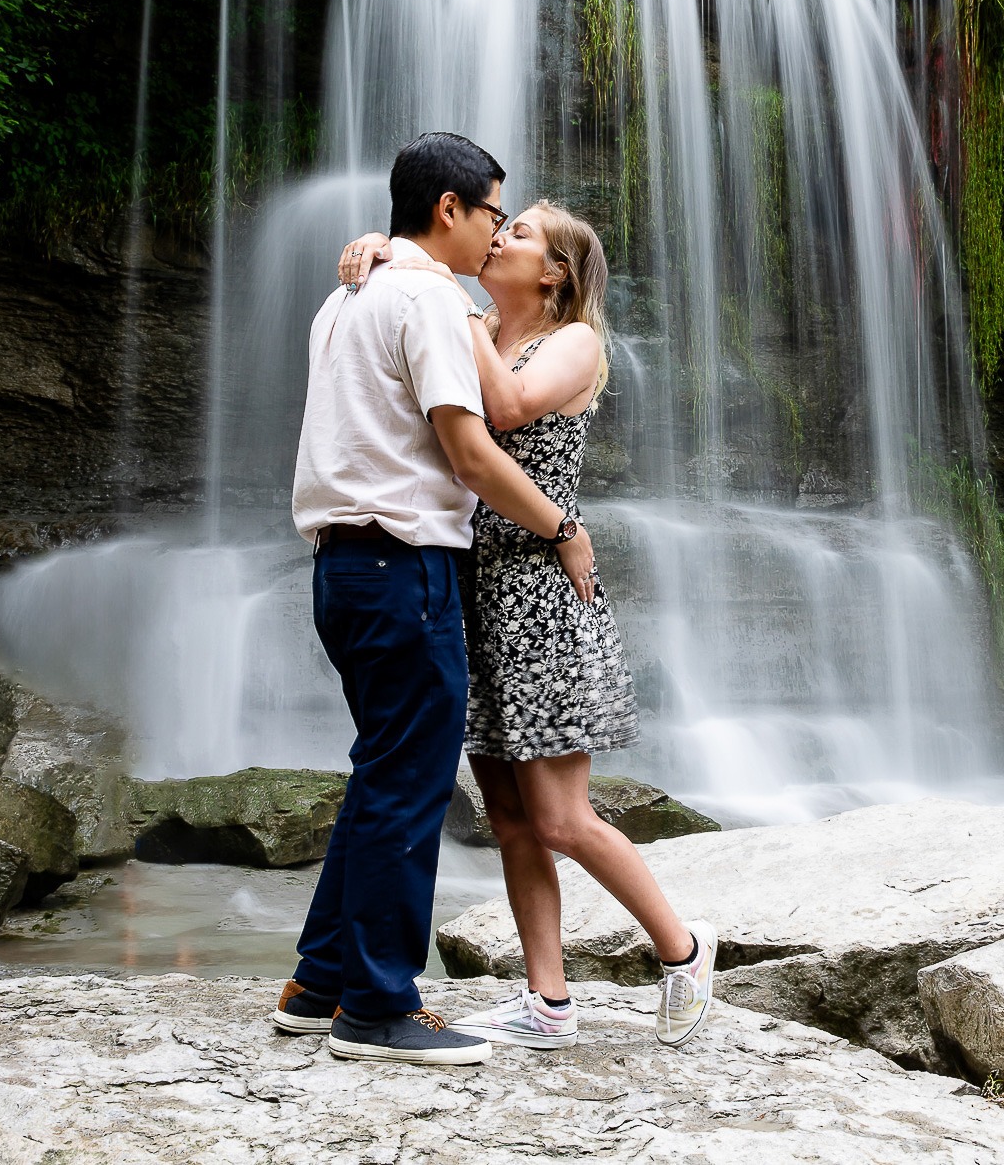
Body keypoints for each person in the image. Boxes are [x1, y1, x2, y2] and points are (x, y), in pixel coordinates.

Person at [335, 202, 717, 1050]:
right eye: (496, 225)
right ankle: (548, 1002)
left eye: (519, 235)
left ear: (553, 273)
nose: (498, 236)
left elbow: (504, 413)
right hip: (473, 587)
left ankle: (684, 952)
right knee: (506, 816)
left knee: (561, 818)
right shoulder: (473, 328)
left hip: (540, 589)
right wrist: (388, 253)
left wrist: (436, 286)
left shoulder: (571, 340)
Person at [274, 132, 596, 1067]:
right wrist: (560, 527)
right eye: (496, 212)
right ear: (450, 209)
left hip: (341, 565)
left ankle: (320, 980)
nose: (499, 232)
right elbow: (470, 451)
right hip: (403, 566)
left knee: (381, 771)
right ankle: (378, 1005)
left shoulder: (349, 294)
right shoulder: (424, 298)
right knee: (409, 786)